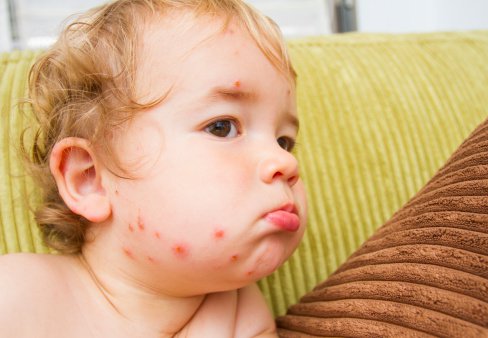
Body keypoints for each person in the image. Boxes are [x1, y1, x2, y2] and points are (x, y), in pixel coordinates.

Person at [0, 0, 307, 337]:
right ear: (89, 179)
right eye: (222, 127)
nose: (286, 162)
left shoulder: (245, 318)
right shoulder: (19, 295)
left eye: (283, 141)